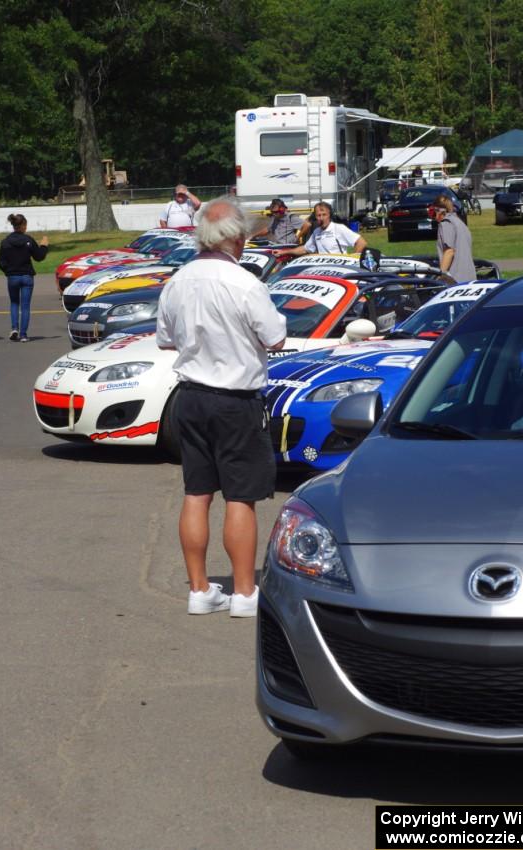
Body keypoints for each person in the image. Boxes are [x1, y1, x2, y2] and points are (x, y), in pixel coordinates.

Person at [156, 197, 286, 618]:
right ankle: (244, 592)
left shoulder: (178, 280)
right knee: (240, 497)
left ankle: (199, 589)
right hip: (233, 398)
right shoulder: (244, 282)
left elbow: (165, 339)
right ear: (232, 238)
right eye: (244, 233)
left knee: (196, 492)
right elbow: (275, 338)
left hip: (189, 395)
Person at [0, 213, 49, 342]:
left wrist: (8, 271)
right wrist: (44, 246)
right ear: (23, 226)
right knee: (25, 306)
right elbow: (39, 257)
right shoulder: (28, 240)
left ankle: (14, 328)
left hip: (13, 277)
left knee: (14, 303)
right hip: (27, 276)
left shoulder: (5, 242)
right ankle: (23, 334)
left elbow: (1, 262)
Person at [274, 201, 367, 258]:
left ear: (329, 215)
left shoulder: (338, 228)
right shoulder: (316, 232)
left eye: (324, 215)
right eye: (319, 215)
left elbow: (361, 242)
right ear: (315, 217)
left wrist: (353, 258)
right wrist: (284, 252)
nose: (321, 218)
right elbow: (304, 249)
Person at [433, 194, 476, 283]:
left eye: (434, 212)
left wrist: (440, 276)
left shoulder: (446, 224)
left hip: (455, 280)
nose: (434, 216)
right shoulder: (459, 222)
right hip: (470, 277)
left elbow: (449, 252)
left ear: (439, 211)